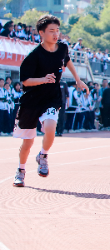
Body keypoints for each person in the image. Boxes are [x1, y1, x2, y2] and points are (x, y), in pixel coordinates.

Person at [12, 15, 87, 187]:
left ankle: (43, 155)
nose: (56, 34)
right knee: (28, 142)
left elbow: (67, 61)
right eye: (51, 31)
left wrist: (77, 79)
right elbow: (25, 81)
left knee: (50, 128)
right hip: (32, 100)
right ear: (41, 33)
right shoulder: (34, 56)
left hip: (51, 98)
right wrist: (43, 79)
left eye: (57, 31)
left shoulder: (62, 48)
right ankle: (20, 171)